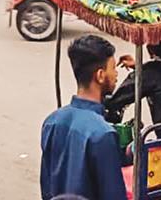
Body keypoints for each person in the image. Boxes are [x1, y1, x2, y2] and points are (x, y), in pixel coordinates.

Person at [40, 35, 127, 200]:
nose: (116, 74)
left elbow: (46, 186)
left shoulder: (52, 121)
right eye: (113, 68)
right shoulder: (103, 134)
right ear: (100, 75)